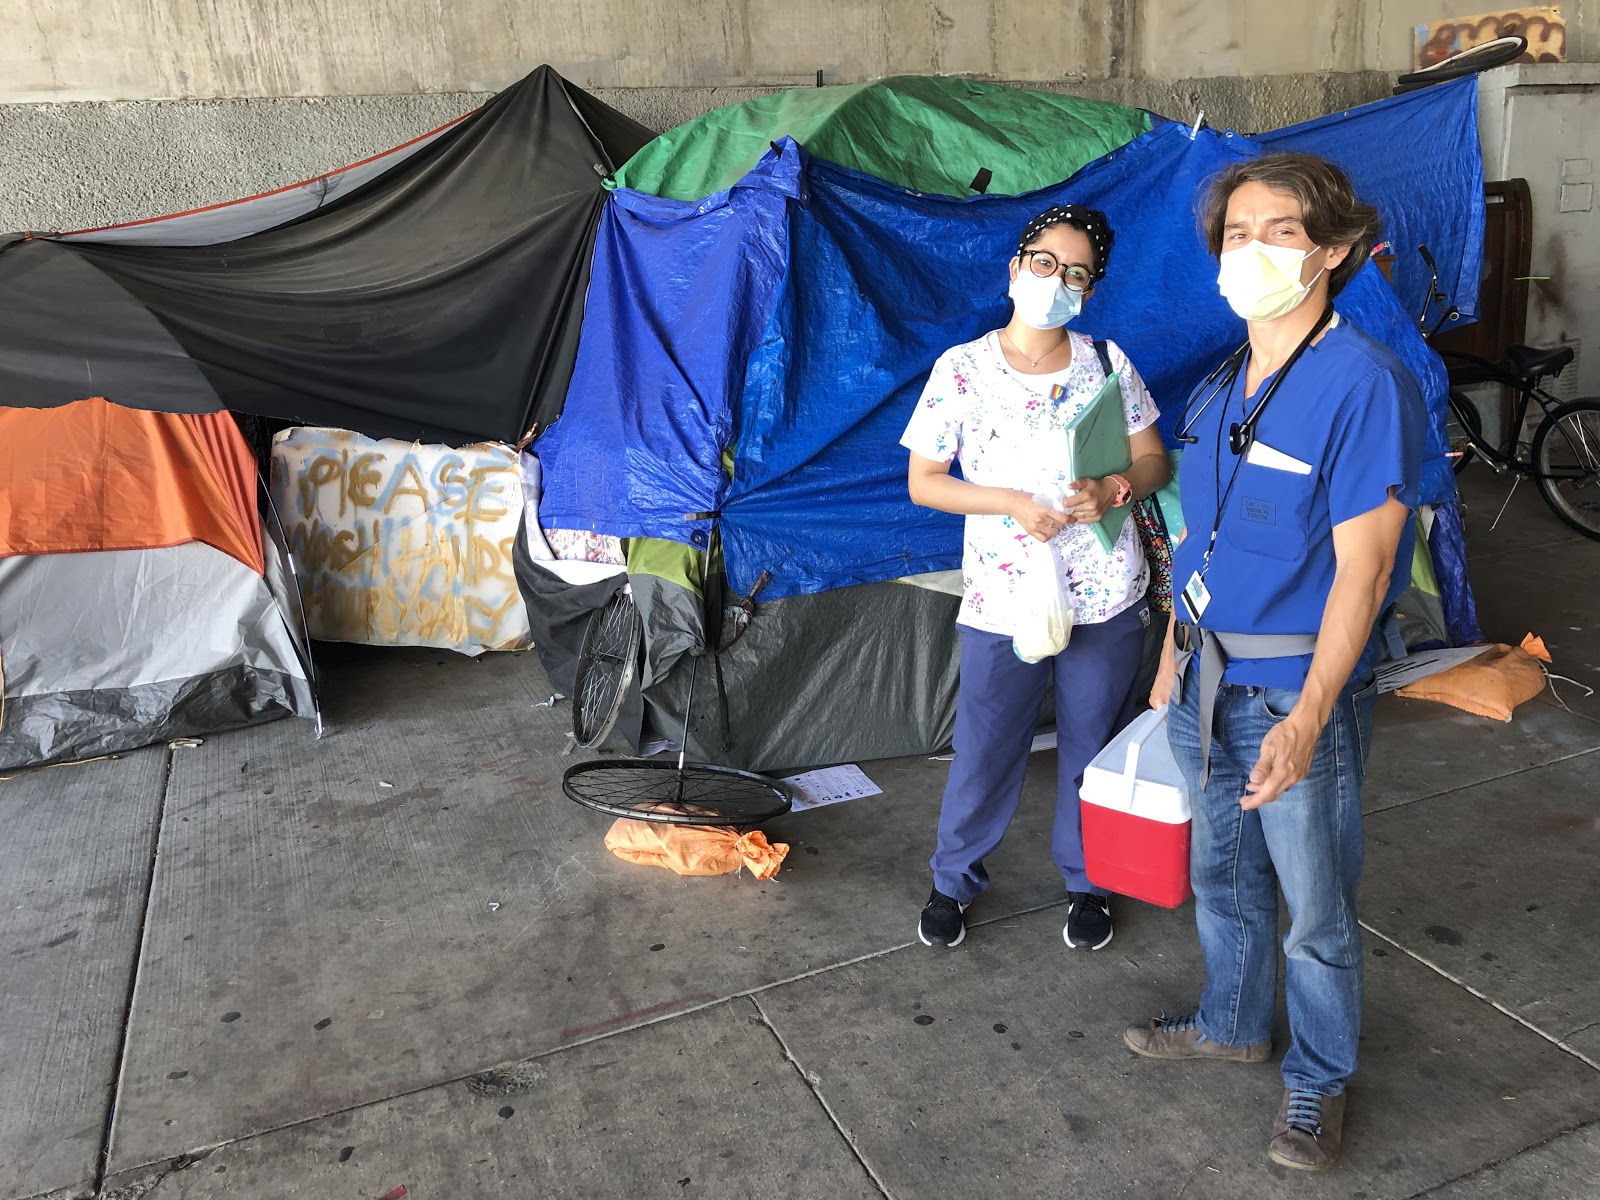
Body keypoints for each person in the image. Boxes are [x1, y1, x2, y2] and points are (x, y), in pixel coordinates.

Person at [1123, 153, 1425, 1172]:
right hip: (1203, 678)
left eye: (1281, 232)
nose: (1250, 250)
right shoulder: (1221, 382)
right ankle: (1231, 1022)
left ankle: (1316, 1081)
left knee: (1315, 909)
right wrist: (1170, 662)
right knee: (1221, 877)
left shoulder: (1362, 384)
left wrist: (1307, 718)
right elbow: (1199, 542)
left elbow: (1366, 568)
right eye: (1237, 232)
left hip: (1294, 690)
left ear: (1334, 251)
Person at [900, 205, 1172, 954]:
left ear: (1091, 289)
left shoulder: (1108, 363)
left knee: (1092, 742)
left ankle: (1090, 884)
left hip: (1105, 592)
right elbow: (926, 481)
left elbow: (1156, 464)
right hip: (1003, 596)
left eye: (1075, 273)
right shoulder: (962, 369)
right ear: (1016, 268)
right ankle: (953, 879)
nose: (1057, 281)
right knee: (987, 743)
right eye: (1046, 263)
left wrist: (1114, 486)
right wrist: (1011, 504)